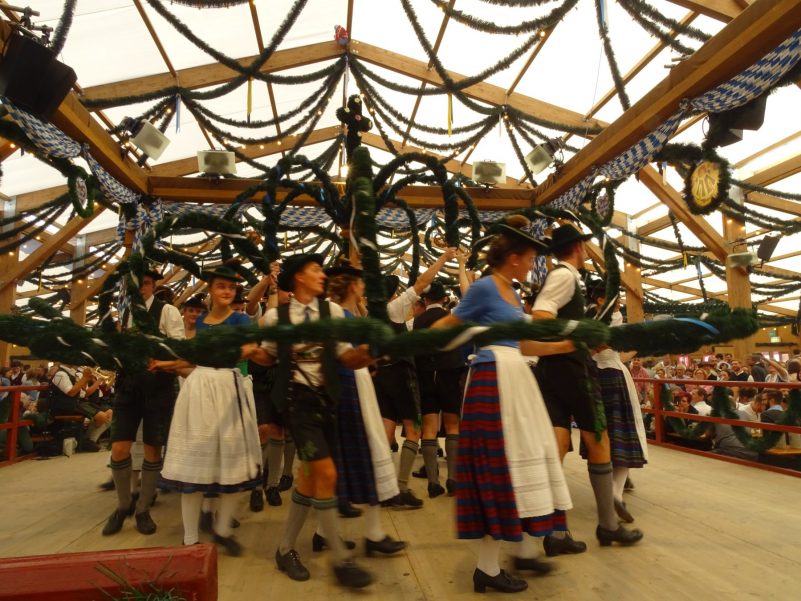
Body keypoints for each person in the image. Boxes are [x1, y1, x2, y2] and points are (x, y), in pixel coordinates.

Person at [432, 216, 573, 594]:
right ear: (513, 257)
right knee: (499, 468)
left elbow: (524, 345)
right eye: (529, 258)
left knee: (518, 465)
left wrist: (565, 346)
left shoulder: (511, 292)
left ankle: (509, 555)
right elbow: (446, 325)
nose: (532, 265)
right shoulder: (484, 288)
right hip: (493, 380)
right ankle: (488, 567)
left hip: (515, 380)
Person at [258, 253, 376, 589]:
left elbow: (346, 358)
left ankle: (285, 549)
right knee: (326, 473)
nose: (322, 274)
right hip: (297, 403)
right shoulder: (276, 317)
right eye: (315, 269)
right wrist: (251, 352)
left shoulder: (333, 312)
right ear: (298, 278)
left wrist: (369, 351)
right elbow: (267, 356)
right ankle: (341, 560)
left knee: (309, 479)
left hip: (328, 402)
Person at [532, 222, 642, 550]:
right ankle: (608, 525)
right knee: (599, 440)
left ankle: (555, 531)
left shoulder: (563, 276)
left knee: (558, 446)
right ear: (579, 248)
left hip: (551, 369)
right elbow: (540, 316)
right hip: (573, 369)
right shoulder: (565, 276)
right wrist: (576, 339)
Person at [150, 263, 262, 556]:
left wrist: (209, 354)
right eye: (221, 286)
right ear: (211, 289)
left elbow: (249, 350)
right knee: (193, 465)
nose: (227, 291)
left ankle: (222, 529)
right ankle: (190, 538)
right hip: (199, 389)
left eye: (231, 287)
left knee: (234, 463)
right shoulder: (201, 323)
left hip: (227, 386)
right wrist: (166, 364)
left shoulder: (241, 321)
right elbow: (193, 359)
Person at [325, 263, 406, 556]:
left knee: (351, 458)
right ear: (352, 285)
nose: (363, 288)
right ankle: (370, 534)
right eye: (360, 283)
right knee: (365, 454)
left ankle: (334, 532)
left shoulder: (350, 313)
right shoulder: (336, 313)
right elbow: (342, 354)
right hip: (349, 388)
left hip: (357, 384)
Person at [102, 267, 185, 537]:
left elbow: (178, 347)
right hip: (128, 388)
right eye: (136, 285)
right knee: (119, 449)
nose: (141, 288)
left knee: (152, 451)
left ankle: (143, 509)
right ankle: (123, 505)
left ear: (152, 285)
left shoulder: (167, 311)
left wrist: (158, 360)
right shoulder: (124, 314)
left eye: (146, 283)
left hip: (158, 388)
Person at [374, 248, 455, 509]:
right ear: (392, 294)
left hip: (381, 377)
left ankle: (380, 486)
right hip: (401, 375)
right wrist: (443, 259)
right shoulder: (395, 308)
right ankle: (400, 488)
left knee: (385, 433)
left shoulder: (371, 315)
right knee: (413, 431)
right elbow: (421, 283)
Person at [585, 284, 648, 525]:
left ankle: (613, 495)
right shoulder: (608, 317)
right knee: (624, 439)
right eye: (616, 298)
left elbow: (596, 353)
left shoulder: (589, 318)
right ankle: (615, 495)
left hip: (598, 379)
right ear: (601, 300)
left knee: (604, 440)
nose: (620, 302)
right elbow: (609, 354)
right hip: (614, 378)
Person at [413, 280, 466, 498]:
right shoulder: (450, 317)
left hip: (426, 374)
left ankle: (433, 482)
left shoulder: (418, 320)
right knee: (453, 424)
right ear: (444, 298)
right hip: (449, 372)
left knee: (429, 426)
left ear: (425, 300)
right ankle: (453, 478)